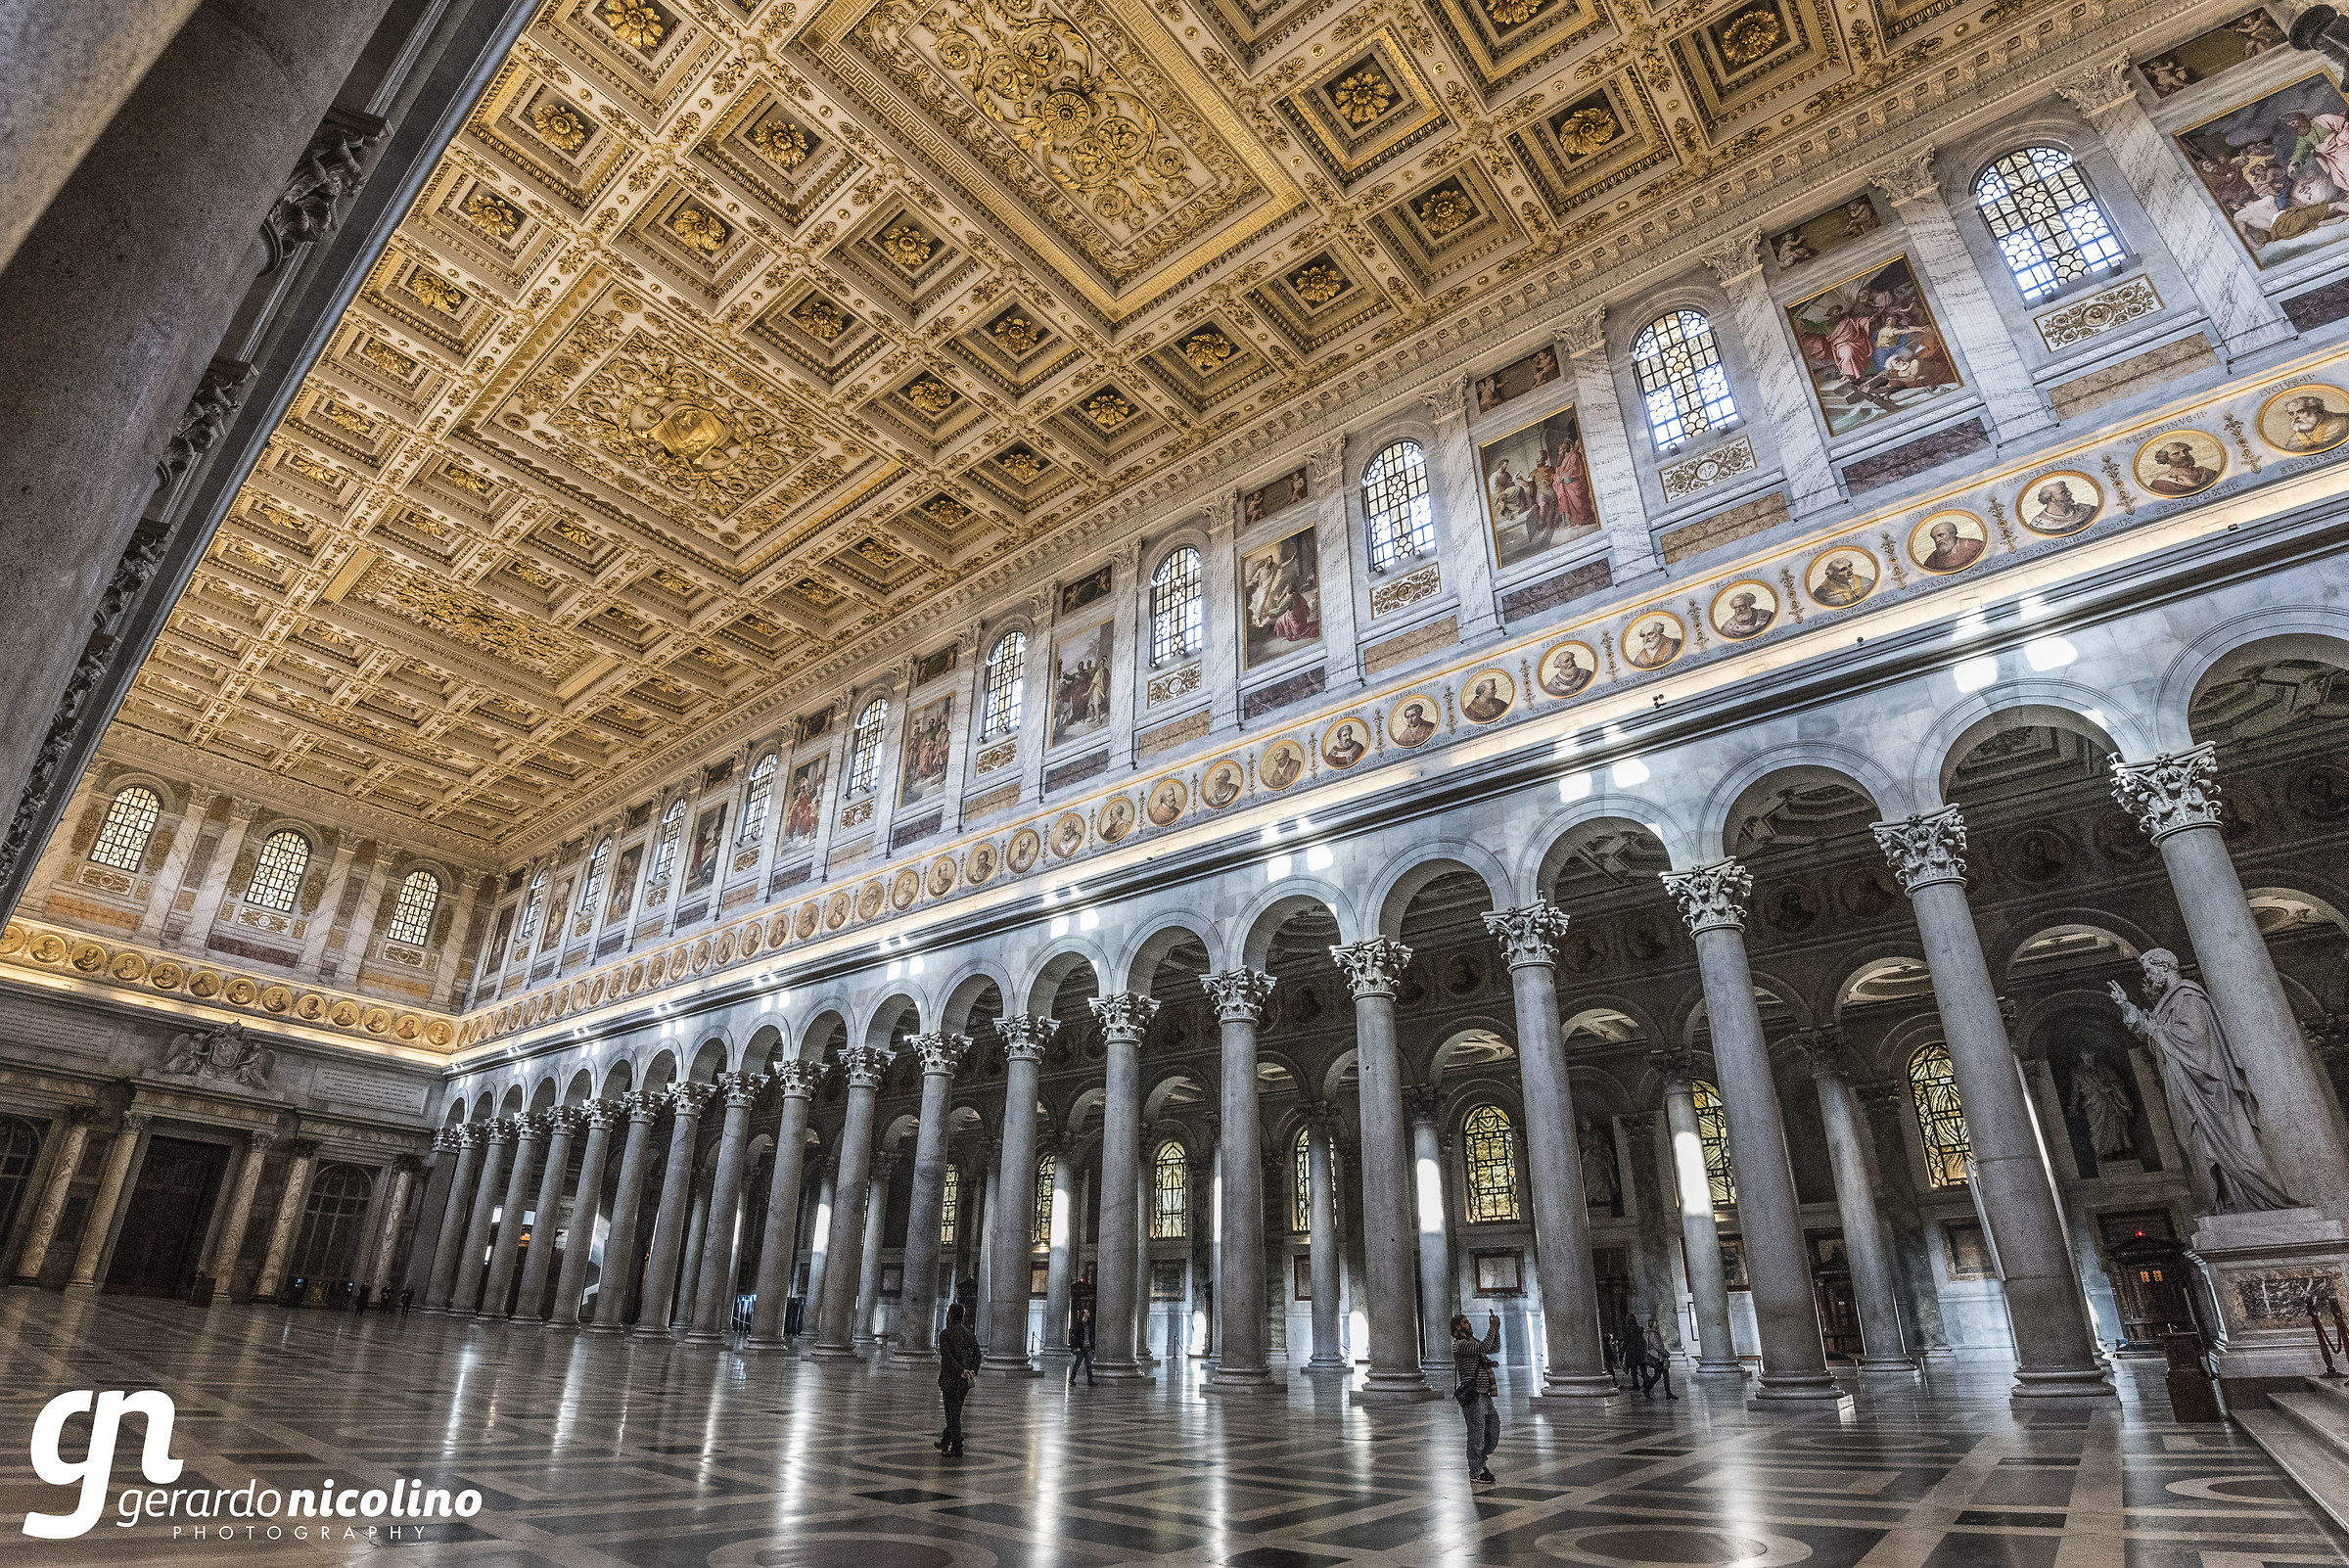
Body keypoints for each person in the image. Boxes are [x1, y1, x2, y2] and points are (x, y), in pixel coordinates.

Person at [1452, 1312, 1500, 1488]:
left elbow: (1492, 1348)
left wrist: (1497, 1330)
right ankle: (1476, 1470)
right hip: (1473, 1396)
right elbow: (1482, 1348)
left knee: (1493, 1430)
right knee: (1476, 1433)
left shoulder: (1472, 1342)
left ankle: (1481, 1462)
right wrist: (1492, 1328)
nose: (1469, 1324)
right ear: (1458, 1327)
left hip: (1485, 1393)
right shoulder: (1461, 1345)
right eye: (1466, 1322)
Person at [938, 1301, 981, 1457]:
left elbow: (947, 1358)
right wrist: (972, 1371)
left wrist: (960, 1371)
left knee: (952, 1415)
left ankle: (957, 1446)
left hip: (950, 1380)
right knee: (955, 1412)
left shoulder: (945, 1334)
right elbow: (978, 1355)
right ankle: (945, 1440)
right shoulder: (969, 1335)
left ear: (949, 1315)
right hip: (964, 1382)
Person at [1640, 1316, 1678, 1400]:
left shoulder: (1653, 1333)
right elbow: (1658, 1347)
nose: (1657, 1324)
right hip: (1657, 1357)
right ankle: (1665, 1392)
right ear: (1652, 1325)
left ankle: (1667, 1393)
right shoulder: (1653, 1334)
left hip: (1658, 1356)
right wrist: (1666, 1354)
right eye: (1656, 1323)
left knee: (1659, 1375)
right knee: (1662, 1375)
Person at [1616, 1307, 1648, 1392]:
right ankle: (1647, 1382)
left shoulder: (1628, 1330)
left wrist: (1622, 1350)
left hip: (1632, 1352)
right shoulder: (1640, 1330)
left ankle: (1636, 1385)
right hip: (1640, 1351)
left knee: (1633, 1371)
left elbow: (1626, 1341)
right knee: (1643, 1368)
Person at [1068, 1306, 1096, 1386]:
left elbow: (1091, 1336)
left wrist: (1092, 1347)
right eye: (1087, 1312)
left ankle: (1090, 1381)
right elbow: (1075, 1336)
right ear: (1083, 1314)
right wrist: (1076, 1347)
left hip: (1088, 1347)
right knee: (1077, 1364)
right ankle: (1071, 1379)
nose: (1088, 1313)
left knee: (1089, 1365)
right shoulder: (1079, 1324)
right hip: (1081, 1347)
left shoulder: (1089, 1324)